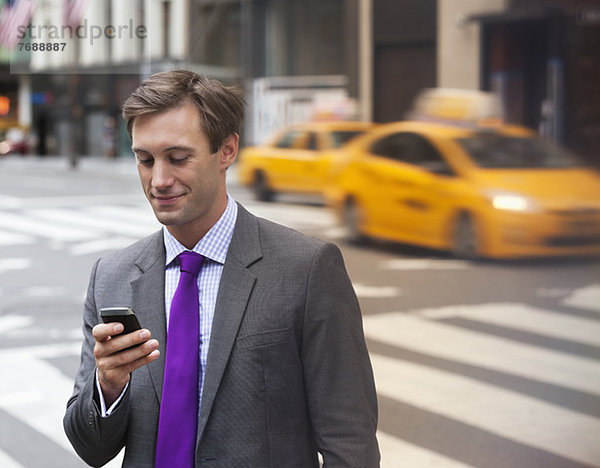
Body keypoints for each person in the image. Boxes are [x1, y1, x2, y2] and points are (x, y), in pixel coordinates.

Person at [63, 70, 380, 467]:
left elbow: (350, 443)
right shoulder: (111, 277)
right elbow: (91, 449)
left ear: (227, 150)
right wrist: (109, 385)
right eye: (145, 160)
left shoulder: (307, 269)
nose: (159, 180)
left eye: (178, 158)